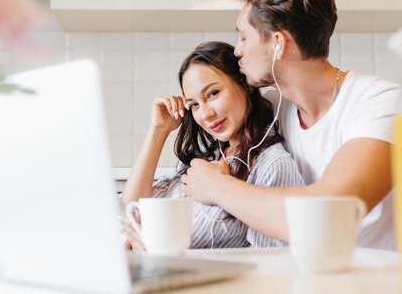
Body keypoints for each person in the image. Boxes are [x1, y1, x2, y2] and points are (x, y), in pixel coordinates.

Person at [180, 0, 402, 250]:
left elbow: (326, 219)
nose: (237, 51)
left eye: (244, 37)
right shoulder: (275, 109)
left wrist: (217, 188)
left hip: (385, 287)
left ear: (278, 44)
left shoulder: (381, 103)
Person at [121, 41, 304, 249]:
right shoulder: (209, 158)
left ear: (244, 83)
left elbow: (276, 263)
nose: (206, 114)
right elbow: (132, 205)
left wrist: (154, 249)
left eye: (213, 94)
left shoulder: (271, 165)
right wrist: (158, 131)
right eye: (194, 105)